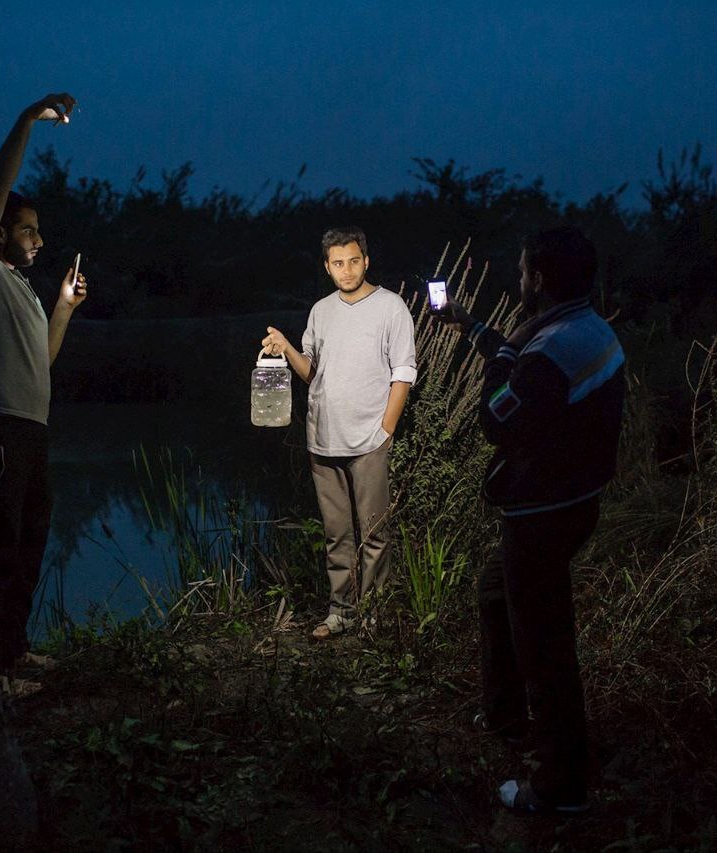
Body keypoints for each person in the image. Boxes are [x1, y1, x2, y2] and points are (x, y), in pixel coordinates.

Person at [435, 225, 624, 813]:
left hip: (542, 515)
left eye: (522, 272)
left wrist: (501, 360)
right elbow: (537, 378)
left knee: (545, 645)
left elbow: (500, 419)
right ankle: (505, 715)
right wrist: (475, 330)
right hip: (572, 503)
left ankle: (558, 786)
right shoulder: (586, 329)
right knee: (496, 592)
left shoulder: (547, 351)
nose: (519, 280)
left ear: (538, 279)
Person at [0, 93, 88, 690]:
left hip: (31, 427)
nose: (37, 239)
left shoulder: (24, 289)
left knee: (29, 545)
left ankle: (14, 651)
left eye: (38, 230)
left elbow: (41, 361)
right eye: (26, 229)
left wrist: (63, 306)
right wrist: (25, 120)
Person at [261, 227, 417, 640]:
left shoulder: (391, 307)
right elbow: (312, 372)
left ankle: (374, 616)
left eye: (353, 261)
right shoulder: (321, 311)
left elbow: (403, 372)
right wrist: (286, 347)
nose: (346, 270)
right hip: (323, 439)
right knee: (337, 534)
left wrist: (387, 429)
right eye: (337, 263)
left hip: (369, 439)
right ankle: (341, 612)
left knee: (374, 533)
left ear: (366, 261)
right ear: (326, 267)